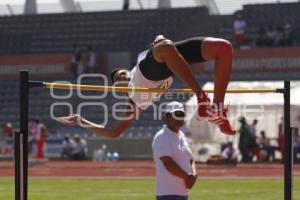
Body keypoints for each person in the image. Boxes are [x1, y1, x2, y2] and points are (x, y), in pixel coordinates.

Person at [57, 35, 236, 137]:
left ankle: (216, 108)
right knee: (165, 47)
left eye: (123, 73)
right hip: (154, 70)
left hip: (161, 59)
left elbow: (160, 42)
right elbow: (114, 132)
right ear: (118, 89)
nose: (122, 76)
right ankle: (202, 98)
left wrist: (158, 38)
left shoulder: (136, 68)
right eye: (118, 78)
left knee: (224, 48)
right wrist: (81, 120)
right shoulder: (133, 103)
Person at [152, 101, 197, 200]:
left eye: (182, 115)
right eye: (176, 114)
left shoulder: (182, 135)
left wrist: (194, 174)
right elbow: (168, 163)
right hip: (168, 193)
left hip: (182, 193)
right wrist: (187, 177)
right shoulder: (162, 136)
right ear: (166, 117)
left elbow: (190, 159)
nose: (179, 118)